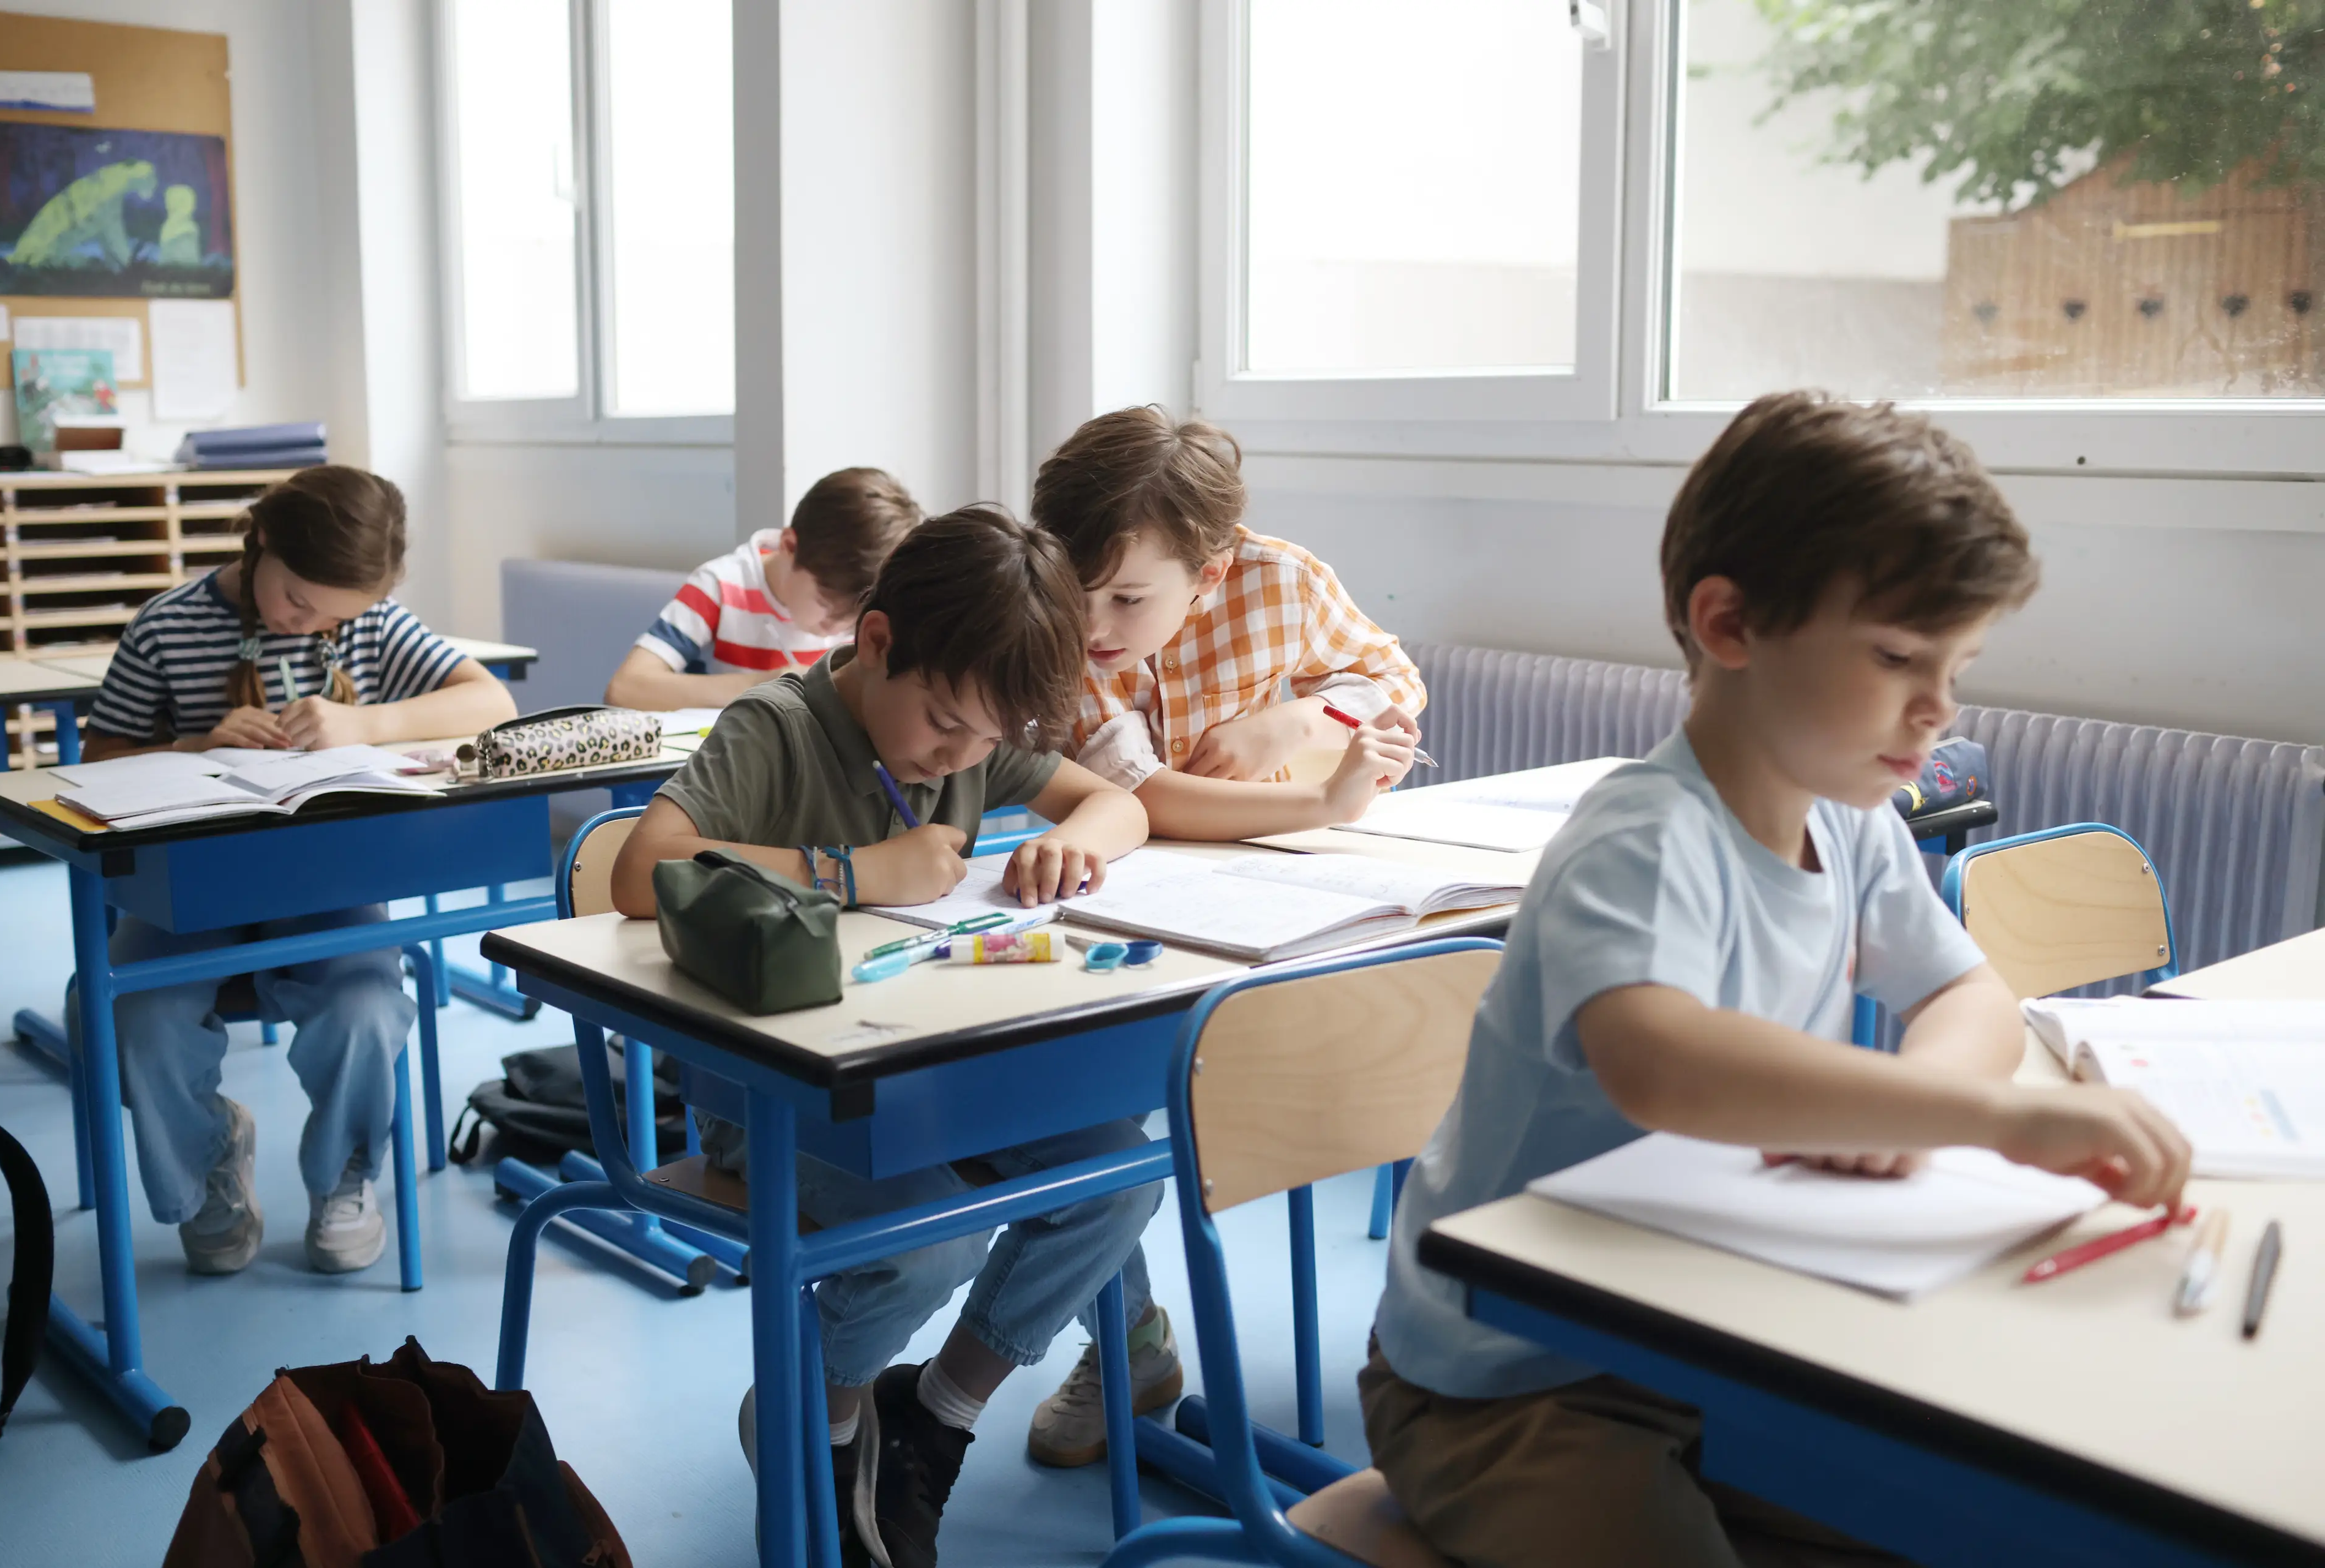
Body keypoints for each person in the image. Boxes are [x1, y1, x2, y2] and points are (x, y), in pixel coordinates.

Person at [1361, 391, 2194, 1568]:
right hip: (1508, 1382)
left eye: (1957, 665)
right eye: (1901, 655)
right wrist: (1999, 1117)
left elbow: (1968, 997)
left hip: (1720, 1330)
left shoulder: (1850, 821)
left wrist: (1904, 1110)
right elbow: (1667, 1065)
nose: (1940, 707)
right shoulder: (1644, 837)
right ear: (1732, 623)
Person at [610, 506, 1154, 1568]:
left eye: (990, 742)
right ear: (877, 644)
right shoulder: (777, 727)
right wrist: (851, 872)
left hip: (935, 1080)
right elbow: (642, 871)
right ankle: (822, 1418)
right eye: (949, 726)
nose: (963, 756)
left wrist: (1076, 843)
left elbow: (1113, 803)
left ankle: (935, 1417)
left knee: (1126, 1173)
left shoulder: (971, 730)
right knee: (930, 1238)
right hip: (771, 1100)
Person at [1017, 403, 1421, 1469]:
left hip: (1284, 905)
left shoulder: (1281, 580)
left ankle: (1436, 1340)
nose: (1095, 621)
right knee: (1073, 1114)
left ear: (1214, 567)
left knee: (1424, 1034)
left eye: (1130, 596)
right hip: (1125, 913)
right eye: (1078, 588)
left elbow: (1393, 682)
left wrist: (1295, 722)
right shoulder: (1056, 627)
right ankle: (1130, 1341)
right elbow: (1145, 796)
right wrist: (1322, 801)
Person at [81, 465, 519, 1275]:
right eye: (295, 599)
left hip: (326, 887)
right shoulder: (168, 624)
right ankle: (214, 1156)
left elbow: (493, 704)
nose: (305, 621)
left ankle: (342, 1176)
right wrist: (191, 745)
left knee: (364, 1010)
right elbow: (98, 754)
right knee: (133, 1016)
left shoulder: (373, 624)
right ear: (261, 544)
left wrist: (366, 719)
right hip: (192, 891)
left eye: (330, 615)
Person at [604, 466, 923, 711]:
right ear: (789, 546)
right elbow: (624, 688)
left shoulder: (871, 608)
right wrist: (760, 686)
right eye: (825, 603)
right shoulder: (721, 586)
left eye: (852, 618)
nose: (835, 628)